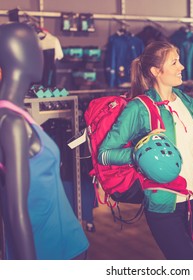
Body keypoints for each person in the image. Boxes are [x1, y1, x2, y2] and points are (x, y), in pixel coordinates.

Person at [98, 41, 193, 260]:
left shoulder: (190, 103)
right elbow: (104, 153)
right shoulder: (138, 107)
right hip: (164, 203)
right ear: (156, 71)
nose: (182, 67)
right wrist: (140, 156)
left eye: (180, 60)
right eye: (174, 62)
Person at [0, 22, 89, 260]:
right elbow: (15, 210)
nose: (42, 56)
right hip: (48, 248)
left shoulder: (17, 115)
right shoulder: (11, 123)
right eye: (37, 47)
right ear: (18, 54)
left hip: (65, 240)